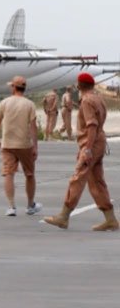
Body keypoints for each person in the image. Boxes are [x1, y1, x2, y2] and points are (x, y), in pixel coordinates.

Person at [44, 73, 117, 231]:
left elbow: (91, 125)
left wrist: (88, 149)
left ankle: (64, 216)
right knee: (97, 182)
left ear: (79, 85)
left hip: (91, 143)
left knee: (77, 178)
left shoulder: (87, 101)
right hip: (99, 142)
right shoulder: (98, 98)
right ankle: (110, 219)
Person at [0, 75, 41, 217]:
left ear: (14, 87)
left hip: (7, 144)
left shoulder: (5, 102)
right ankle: (30, 204)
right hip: (24, 145)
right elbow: (33, 127)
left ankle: (11, 206)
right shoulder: (29, 104)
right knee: (30, 174)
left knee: (8, 173)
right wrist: (35, 146)